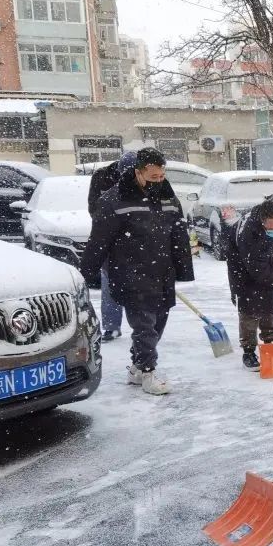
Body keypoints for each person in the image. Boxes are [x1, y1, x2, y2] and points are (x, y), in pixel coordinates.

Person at [80, 147, 194, 396]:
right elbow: (99, 240)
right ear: (138, 173)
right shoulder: (114, 199)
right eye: (153, 177)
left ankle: (136, 368)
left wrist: (183, 268)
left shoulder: (167, 197)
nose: (158, 181)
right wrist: (87, 272)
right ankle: (148, 372)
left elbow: (178, 234)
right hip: (129, 272)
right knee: (145, 325)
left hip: (161, 271)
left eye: (161, 176)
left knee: (159, 321)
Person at [226, 197, 273, 371]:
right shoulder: (249, 234)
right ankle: (248, 351)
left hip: (266, 263)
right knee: (249, 310)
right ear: (262, 222)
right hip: (243, 271)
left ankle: (269, 341)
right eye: (272, 228)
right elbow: (256, 269)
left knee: (269, 305)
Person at [86, 152, 136, 342]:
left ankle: (143, 326)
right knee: (109, 282)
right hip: (109, 238)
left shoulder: (145, 177)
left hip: (136, 239)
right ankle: (112, 327)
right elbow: (94, 208)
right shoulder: (102, 178)